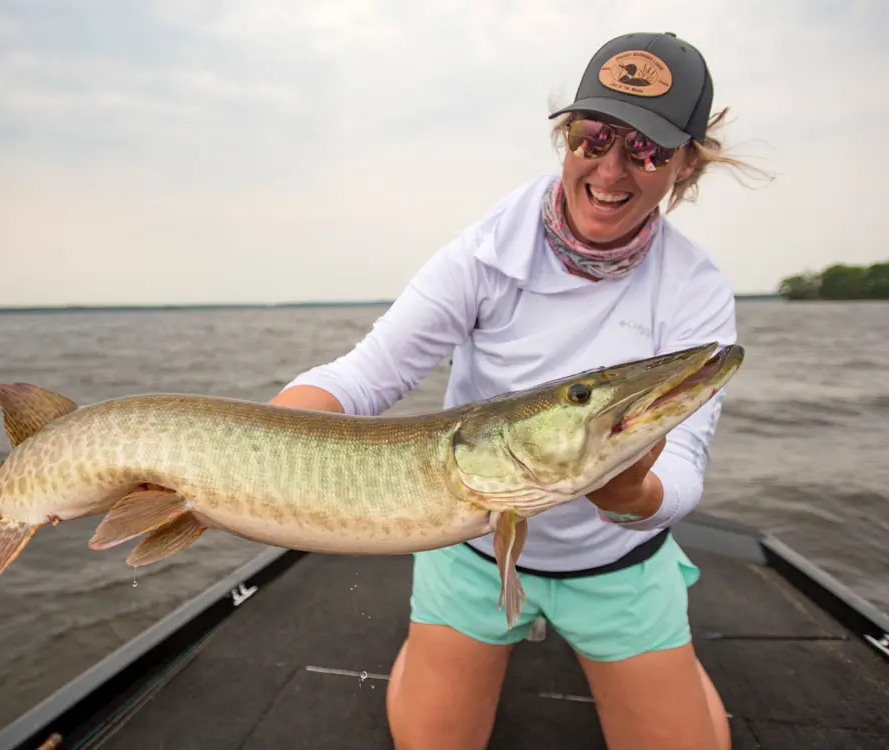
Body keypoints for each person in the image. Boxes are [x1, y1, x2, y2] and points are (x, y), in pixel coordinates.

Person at [271, 30, 760, 750]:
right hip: (470, 544)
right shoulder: (486, 252)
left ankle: (675, 673)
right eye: (594, 138)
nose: (611, 171)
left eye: (648, 150)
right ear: (567, 138)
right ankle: (438, 647)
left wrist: (635, 499)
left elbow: (683, 468)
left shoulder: (695, 291)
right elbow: (364, 377)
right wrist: (252, 442)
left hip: (616, 561)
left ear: (687, 165)